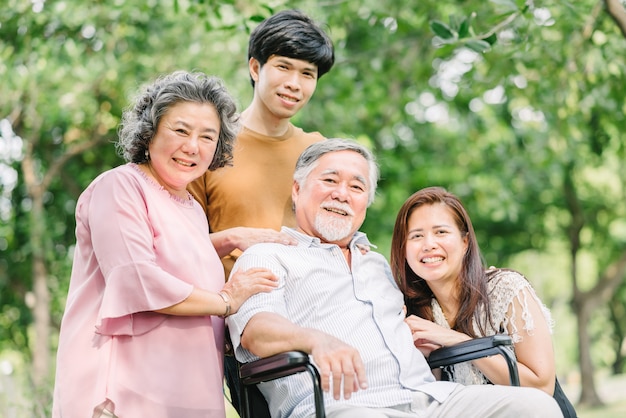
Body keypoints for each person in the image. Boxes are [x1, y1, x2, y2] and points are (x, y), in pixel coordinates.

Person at [227, 138, 563, 418]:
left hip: (429, 399)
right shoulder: (269, 255)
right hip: (345, 407)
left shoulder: (377, 265)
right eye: (329, 180)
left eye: (356, 186)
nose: (342, 193)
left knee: (536, 408)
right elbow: (256, 332)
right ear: (298, 190)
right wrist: (317, 340)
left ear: (365, 204)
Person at [51, 71, 279, 418]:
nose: (193, 147)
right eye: (181, 130)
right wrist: (227, 300)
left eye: (208, 136)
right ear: (150, 131)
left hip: (187, 390)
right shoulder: (119, 186)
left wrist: (229, 239)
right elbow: (138, 278)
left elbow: (178, 252)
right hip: (123, 394)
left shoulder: (190, 208)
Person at [187, 8, 335, 413]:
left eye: (308, 74)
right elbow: (183, 246)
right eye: (283, 67)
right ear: (255, 67)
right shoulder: (210, 146)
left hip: (317, 313)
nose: (294, 83)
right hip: (243, 326)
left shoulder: (319, 150)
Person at [390, 186, 576, 417]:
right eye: (416, 236)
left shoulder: (505, 289)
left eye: (441, 232)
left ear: (465, 242)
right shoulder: (411, 313)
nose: (428, 244)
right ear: (404, 249)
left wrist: (459, 341)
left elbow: (541, 387)